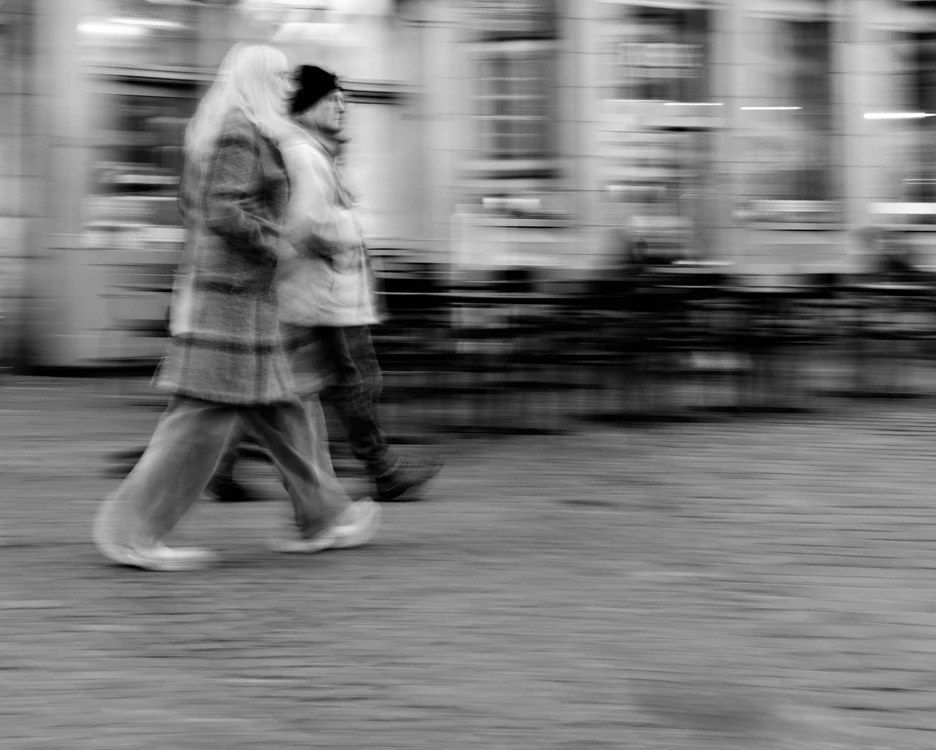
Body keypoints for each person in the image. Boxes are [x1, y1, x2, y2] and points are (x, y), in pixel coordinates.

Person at [92, 45, 381, 572]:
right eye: (278, 76)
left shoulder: (248, 128)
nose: (286, 86)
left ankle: (324, 518)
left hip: (248, 301)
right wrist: (280, 245)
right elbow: (223, 209)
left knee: (285, 412)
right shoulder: (239, 130)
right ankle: (132, 533)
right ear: (255, 79)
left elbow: (211, 207)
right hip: (230, 303)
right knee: (200, 421)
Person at [208, 64, 442, 504]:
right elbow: (306, 223)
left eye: (343, 99)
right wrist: (348, 229)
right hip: (322, 294)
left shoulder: (310, 150)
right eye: (331, 99)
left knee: (287, 384)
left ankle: (221, 466)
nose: (341, 106)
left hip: (316, 292)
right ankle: (382, 472)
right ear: (307, 105)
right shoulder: (303, 154)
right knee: (353, 382)